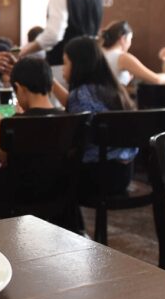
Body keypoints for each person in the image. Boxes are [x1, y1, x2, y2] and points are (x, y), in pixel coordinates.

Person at [0, 57, 66, 220]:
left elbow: (4, 158)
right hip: (57, 191)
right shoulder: (67, 117)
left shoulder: (17, 123)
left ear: (19, 88)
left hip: (18, 194)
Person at [53, 36, 137, 195]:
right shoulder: (116, 91)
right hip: (124, 174)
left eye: (65, 63)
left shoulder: (80, 95)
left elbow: (75, 140)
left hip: (96, 177)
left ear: (78, 65)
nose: (63, 69)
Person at [18, 0, 103, 84]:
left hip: (63, 64)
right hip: (92, 64)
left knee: (62, 103)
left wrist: (26, 50)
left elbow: (53, 34)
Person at [100, 20, 165, 86]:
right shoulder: (122, 57)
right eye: (130, 39)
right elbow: (157, 79)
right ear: (123, 39)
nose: (130, 43)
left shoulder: (100, 54)